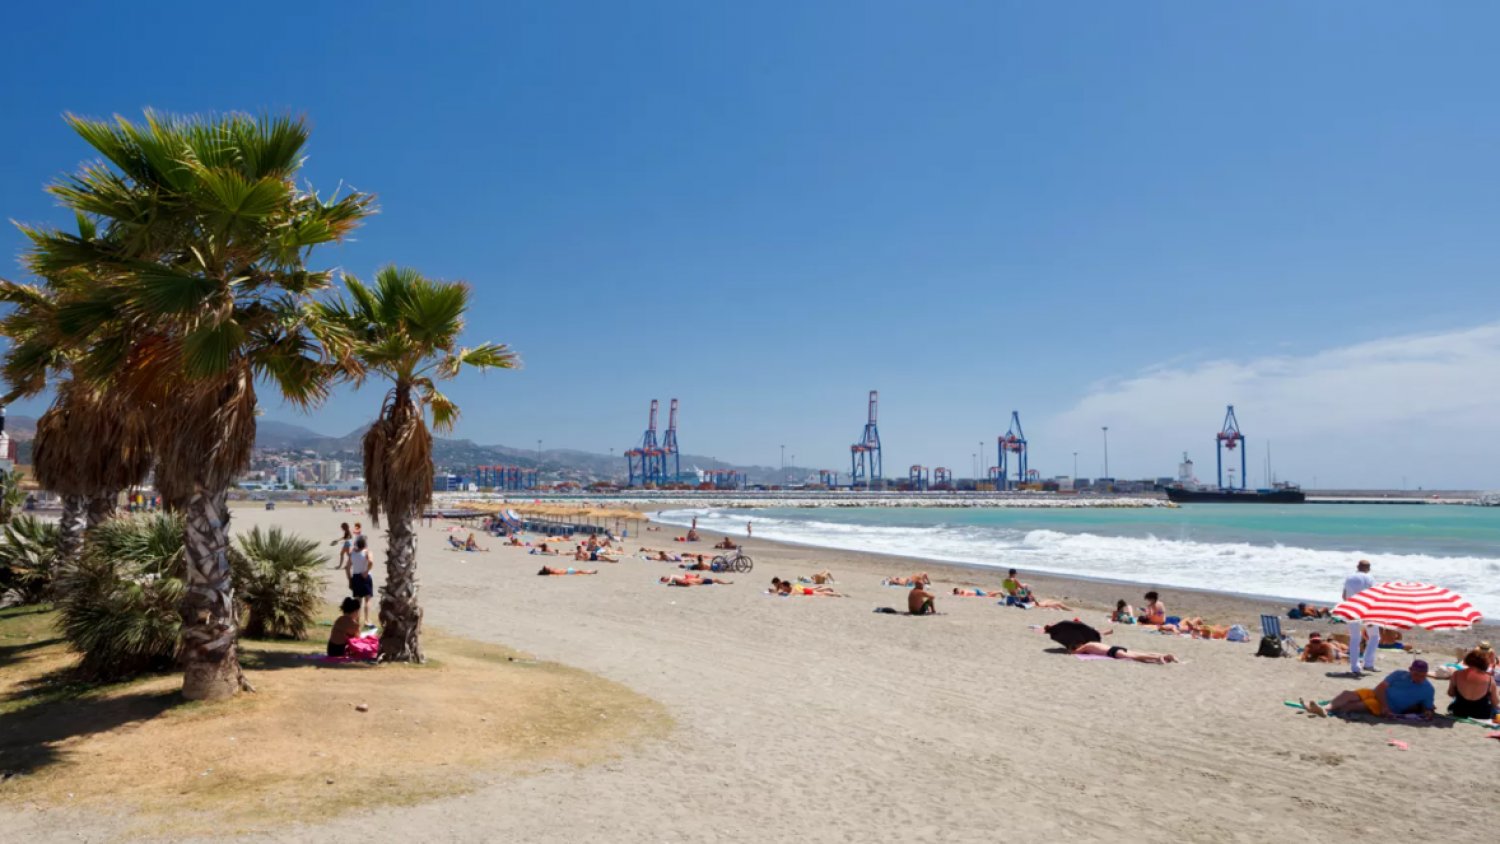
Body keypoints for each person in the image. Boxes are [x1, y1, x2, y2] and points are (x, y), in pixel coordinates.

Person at [1307, 659, 1435, 720]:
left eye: (1422, 675)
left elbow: (1427, 706)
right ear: (1410, 670)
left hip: (1388, 706)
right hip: (1377, 695)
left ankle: (1329, 711)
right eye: (1416, 674)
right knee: (1347, 694)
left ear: (1426, 674)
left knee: (1353, 706)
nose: (1418, 677)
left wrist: (1427, 712)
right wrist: (1385, 705)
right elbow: (1380, 688)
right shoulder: (1399, 674)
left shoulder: (1428, 689)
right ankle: (1326, 709)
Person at [1342, 560, 1379, 676]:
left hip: (1352, 609)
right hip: (1367, 610)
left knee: (1355, 638)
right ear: (1368, 568)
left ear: (1357, 567)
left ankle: (1355, 667)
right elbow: (1374, 596)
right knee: (1374, 636)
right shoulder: (1370, 578)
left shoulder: (1349, 578)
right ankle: (1368, 663)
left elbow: (1344, 596)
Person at [1447, 649, 1499, 719]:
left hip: (1459, 711)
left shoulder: (1456, 674)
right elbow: (1495, 703)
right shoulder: (1489, 679)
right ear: (1484, 663)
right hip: (1482, 714)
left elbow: (1451, 693)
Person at [344, 535, 374, 625]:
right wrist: (366, 571)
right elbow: (371, 561)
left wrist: (350, 579)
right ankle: (367, 620)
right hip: (365, 577)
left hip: (356, 577)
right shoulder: (367, 552)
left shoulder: (352, 554)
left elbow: (347, 567)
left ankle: (356, 620)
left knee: (357, 601)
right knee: (367, 599)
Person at [661, 574, 731, 586]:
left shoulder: (673, 579)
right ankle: (726, 583)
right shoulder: (672, 578)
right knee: (715, 579)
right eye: (665, 579)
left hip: (699, 580)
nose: (666, 578)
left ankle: (725, 583)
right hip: (700, 581)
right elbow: (690, 582)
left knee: (715, 580)